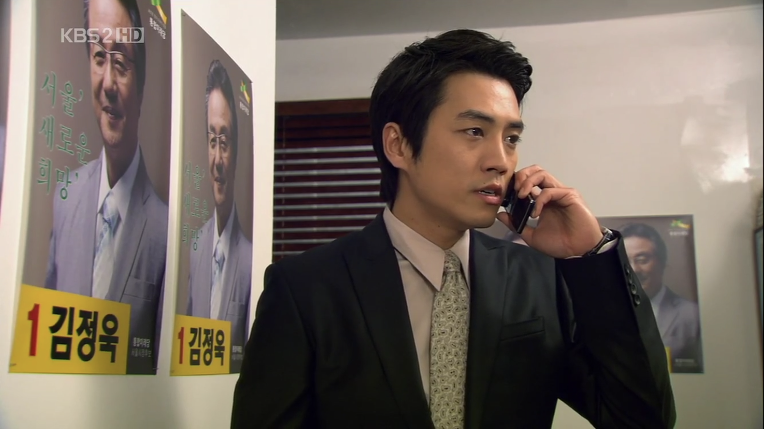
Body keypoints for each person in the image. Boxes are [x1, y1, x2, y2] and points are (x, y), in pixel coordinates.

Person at [231, 29, 676, 428]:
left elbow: (644, 419)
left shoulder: (540, 278)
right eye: (474, 131)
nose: (500, 160)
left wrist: (592, 254)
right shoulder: (306, 288)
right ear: (399, 145)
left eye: (511, 138)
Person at [44, 0, 167, 374]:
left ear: (141, 85)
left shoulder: (165, 227)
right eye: (99, 57)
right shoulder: (65, 197)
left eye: (122, 63)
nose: (109, 83)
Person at [186, 59, 252, 371]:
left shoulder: (251, 259)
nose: (217, 159)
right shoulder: (196, 246)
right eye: (212, 141)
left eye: (224, 142)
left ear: (236, 152)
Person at [621, 222, 703, 373]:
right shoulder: (601, 315)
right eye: (624, 261)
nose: (633, 269)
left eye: (642, 260)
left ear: (662, 263)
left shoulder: (691, 315)